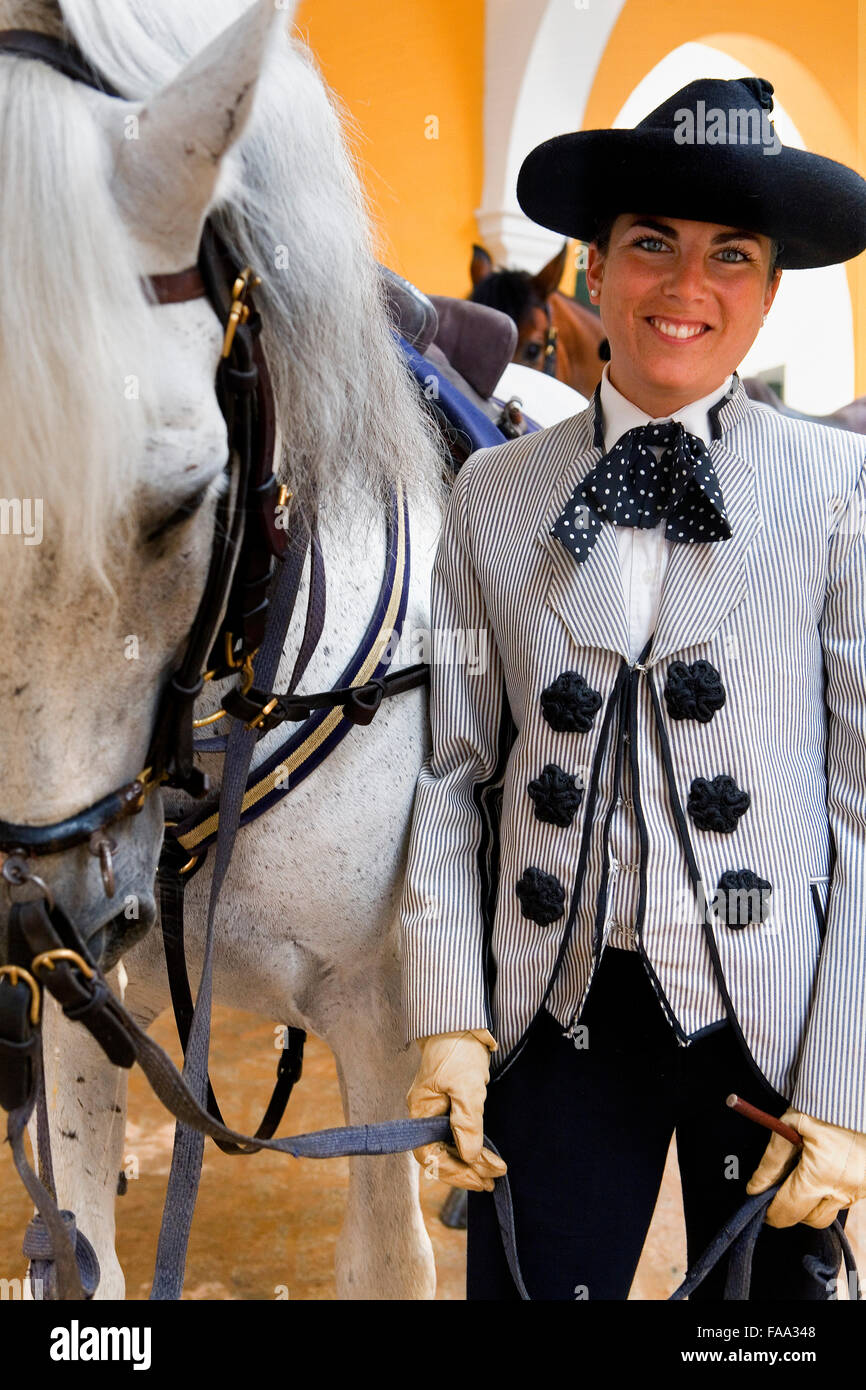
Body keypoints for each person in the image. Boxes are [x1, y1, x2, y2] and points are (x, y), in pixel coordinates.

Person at [399, 75, 866, 1301]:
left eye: (731, 256)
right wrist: (446, 1008)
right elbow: (451, 774)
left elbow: (863, 806)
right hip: (552, 1019)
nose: (685, 288)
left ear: (766, 294)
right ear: (590, 268)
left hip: (768, 1033)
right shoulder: (487, 498)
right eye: (651, 244)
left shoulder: (838, 492)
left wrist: (849, 1089)